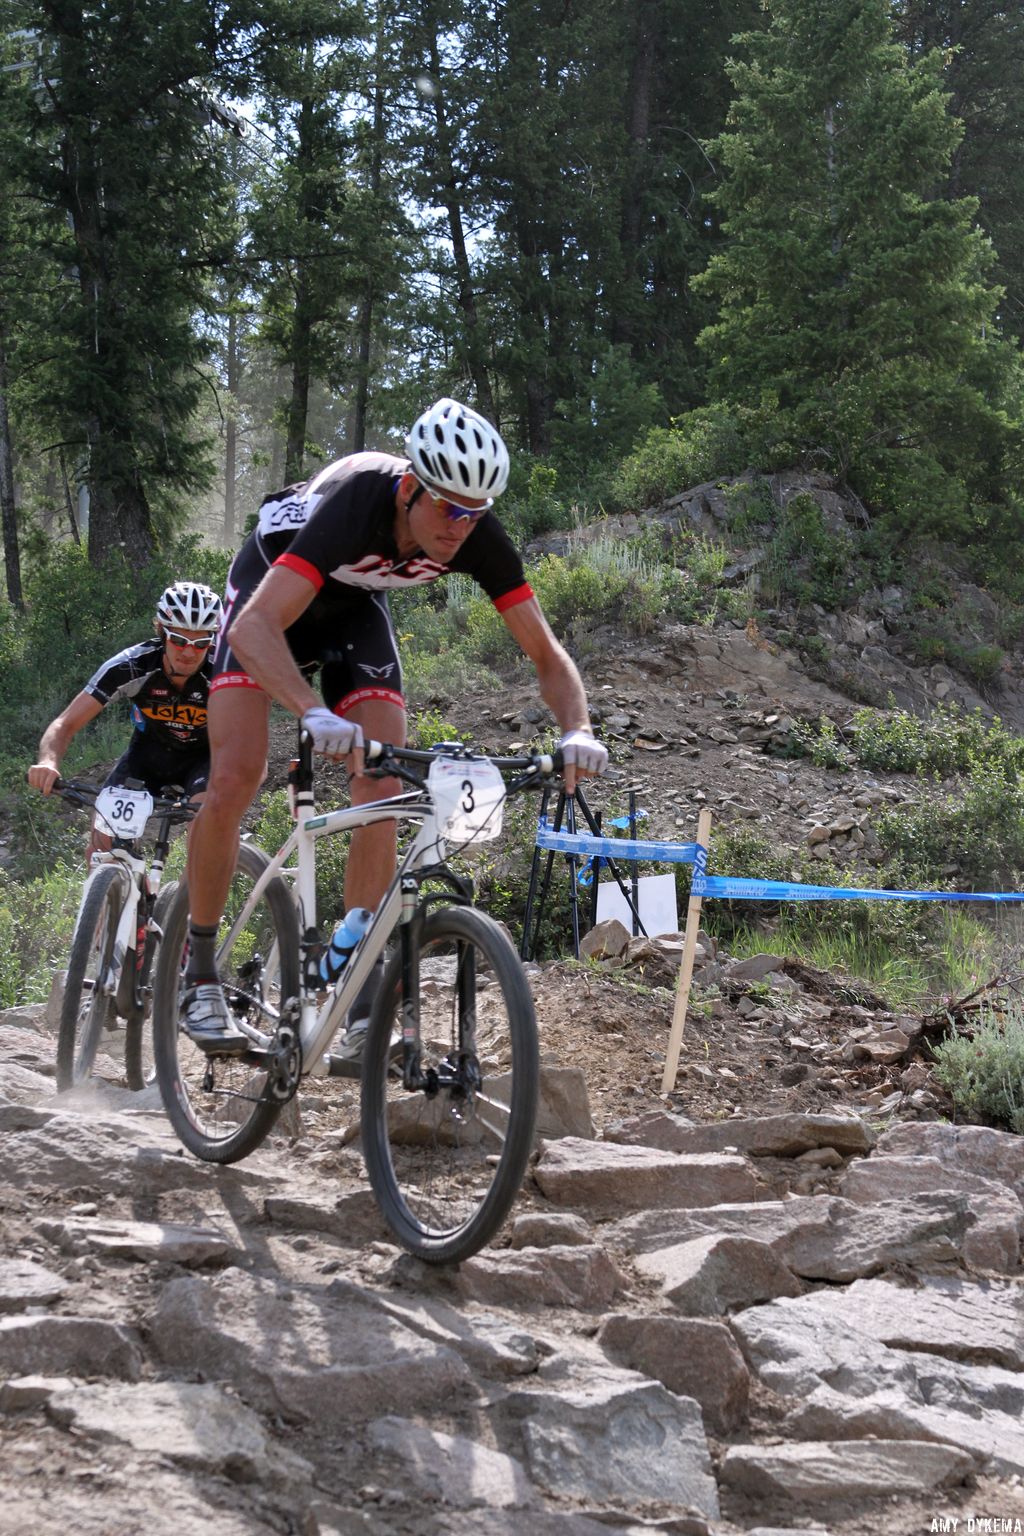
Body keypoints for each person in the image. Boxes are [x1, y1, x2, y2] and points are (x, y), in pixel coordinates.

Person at [182, 397, 609, 1055]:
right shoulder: (358, 504)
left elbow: (548, 656)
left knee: (381, 785)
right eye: (447, 507)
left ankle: (355, 992)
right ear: (410, 487)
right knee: (238, 773)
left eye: (475, 513)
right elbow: (253, 628)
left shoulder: (476, 536)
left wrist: (577, 728)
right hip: (272, 594)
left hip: (352, 608)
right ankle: (199, 967)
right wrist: (313, 713)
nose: (459, 527)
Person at [28, 581, 223, 856]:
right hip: (148, 756)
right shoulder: (131, 666)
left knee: (203, 834)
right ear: (162, 632)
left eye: (201, 643)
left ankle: (189, 897)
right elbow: (65, 723)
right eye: (179, 640)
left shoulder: (223, 673)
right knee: (100, 847)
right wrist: (48, 762)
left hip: (206, 759)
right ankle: (124, 891)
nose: (189, 652)